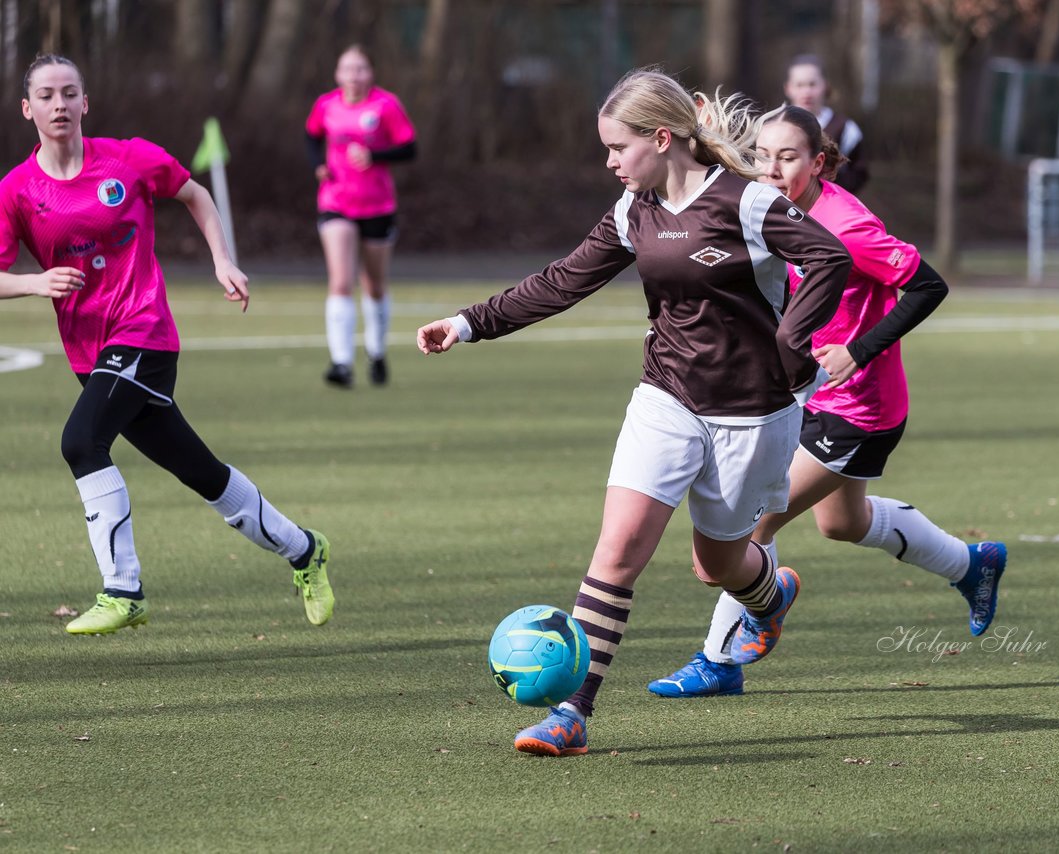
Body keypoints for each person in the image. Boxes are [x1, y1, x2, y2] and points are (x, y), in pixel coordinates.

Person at [416, 70, 852, 756]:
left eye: (618, 147)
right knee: (616, 552)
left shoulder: (747, 202)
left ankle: (769, 596)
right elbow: (561, 280)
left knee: (717, 564)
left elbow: (829, 258)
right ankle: (572, 712)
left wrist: (793, 344)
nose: (610, 162)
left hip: (753, 415)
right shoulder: (632, 211)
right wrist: (469, 323)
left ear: (661, 137)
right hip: (666, 397)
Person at [648, 105, 1007, 699]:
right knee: (844, 523)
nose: (770, 168)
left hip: (856, 406)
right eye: (762, 155)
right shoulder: (768, 205)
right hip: (805, 395)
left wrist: (860, 350)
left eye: (787, 158)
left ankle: (719, 661)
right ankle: (972, 566)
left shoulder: (847, 225)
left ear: (818, 163)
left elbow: (927, 286)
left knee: (756, 516)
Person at [0, 54, 334, 634]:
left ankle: (123, 590)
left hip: (144, 332)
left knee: (81, 442)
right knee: (200, 472)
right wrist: (35, 282)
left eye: (70, 93)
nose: (60, 104)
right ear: (28, 109)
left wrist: (222, 261)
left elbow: (195, 194)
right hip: (91, 353)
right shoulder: (16, 191)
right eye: (47, 96)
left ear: (86, 103)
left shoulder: (127, 158)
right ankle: (305, 550)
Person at [305, 44, 416, 388]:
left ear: (371, 73)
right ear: (338, 74)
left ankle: (376, 352)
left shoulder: (386, 105)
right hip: (335, 201)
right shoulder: (326, 104)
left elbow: (409, 147)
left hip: (378, 204)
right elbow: (311, 136)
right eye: (347, 69)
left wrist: (375, 154)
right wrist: (318, 165)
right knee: (340, 280)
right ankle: (341, 363)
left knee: (374, 285)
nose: (353, 76)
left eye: (360, 69)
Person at [784, 54, 869, 194]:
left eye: (812, 84)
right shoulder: (773, 126)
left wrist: (835, 193)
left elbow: (859, 171)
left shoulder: (846, 128)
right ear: (788, 88)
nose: (806, 92)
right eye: (799, 85)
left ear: (825, 85)